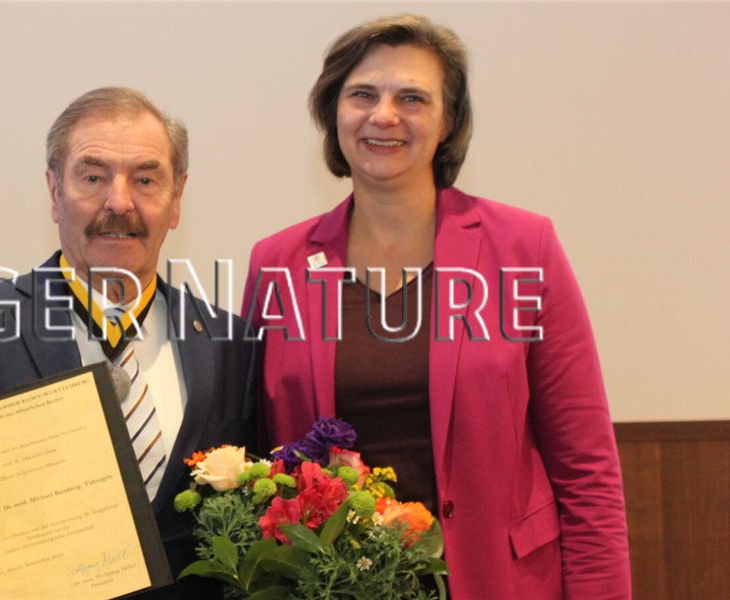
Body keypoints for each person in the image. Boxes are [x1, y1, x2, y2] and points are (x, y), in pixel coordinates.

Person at [241, 14, 630, 599]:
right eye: (362, 95)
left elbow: (586, 469)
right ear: (333, 114)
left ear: (449, 122)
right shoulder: (278, 262)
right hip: (332, 588)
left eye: (413, 98)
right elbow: (257, 459)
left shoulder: (525, 247)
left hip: (500, 583)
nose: (385, 115)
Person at [0, 87, 255, 598]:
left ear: (176, 198)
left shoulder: (232, 344)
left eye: (145, 179)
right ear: (54, 192)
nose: (119, 202)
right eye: (93, 177)